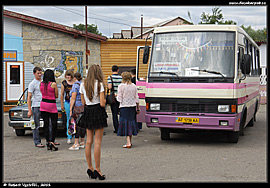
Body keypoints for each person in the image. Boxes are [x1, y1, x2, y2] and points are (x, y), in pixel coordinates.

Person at [80, 64, 107, 180]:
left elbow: (83, 103)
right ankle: (98, 169)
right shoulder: (100, 84)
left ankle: (90, 167)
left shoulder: (83, 84)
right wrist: (105, 99)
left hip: (88, 111)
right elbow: (102, 103)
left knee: (88, 141)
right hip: (98, 111)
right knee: (97, 143)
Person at [117, 72, 140, 148]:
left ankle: (128, 143)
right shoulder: (134, 86)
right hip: (132, 107)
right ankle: (129, 141)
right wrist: (138, 108)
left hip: (124, 107)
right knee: (131, 123)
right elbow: (136, 98)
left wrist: (116, 96)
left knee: (126, 124)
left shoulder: (121, 86)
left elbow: (119, 99)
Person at [40, 69, 59, 151]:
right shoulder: (53, 84)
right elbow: (56, 95)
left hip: (43, 104)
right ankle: (52, 141)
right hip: (51, 105)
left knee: (46, 124)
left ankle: (47, 141)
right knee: (54, 124)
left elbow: (42, 93)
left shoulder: (41, 84)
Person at [27, 67, 45, 148]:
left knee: (48, 123)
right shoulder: (32, 84)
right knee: (36, 125)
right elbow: (29, 97)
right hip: (36, 106)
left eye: (40, 73)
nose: (40, 74)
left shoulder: (44, 82)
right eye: (38, 73)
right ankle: (37, 141)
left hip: (44, 105)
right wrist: (29, 110)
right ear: (34, 73)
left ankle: (50, 140)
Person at [69, 73, 86, 151]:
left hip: (77, 107)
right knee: (82, 124)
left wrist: (70, 109)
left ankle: (76, 143)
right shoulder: (83, 85)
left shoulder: (75, 85)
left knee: (76, 124)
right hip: (83, 106)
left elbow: (73, 97)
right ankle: (82, 142)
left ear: (75, 78)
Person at [60, 70, 75, 144]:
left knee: (75, 119)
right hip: (67, 102)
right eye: (67, 75)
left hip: (75, 103)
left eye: (69, 75)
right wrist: (62, 104)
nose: (68, 77)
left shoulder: (75, 83)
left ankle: (75, 136)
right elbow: (62, 94)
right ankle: (69, 136)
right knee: (69, 119)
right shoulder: (64, 83)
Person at [107, 65, 122, 133]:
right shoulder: (121, 77)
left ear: (112, 70)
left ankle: (117, 128)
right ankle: (122, 127)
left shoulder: (110, 78)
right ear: (118, 70)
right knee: (121, 113)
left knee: (114, 114)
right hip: (121, 96)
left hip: (113, 98)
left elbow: (109, 87)